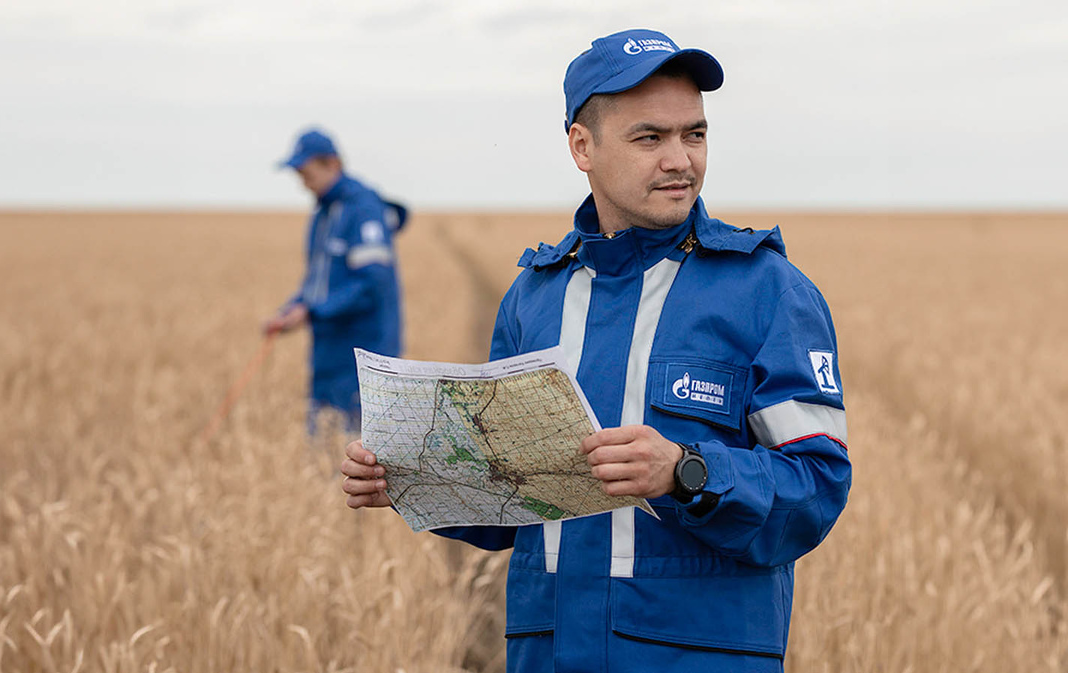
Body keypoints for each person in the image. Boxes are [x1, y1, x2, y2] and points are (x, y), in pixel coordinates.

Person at [341, 28, 851, 672]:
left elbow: (818, 485)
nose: (681, 160)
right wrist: (412, 479)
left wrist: (687, 471)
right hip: (548, 652)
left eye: (694, 134)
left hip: (698, 656)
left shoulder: (768, 290)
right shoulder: (534, 296)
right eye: (650, 138)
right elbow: (511, 500)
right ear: (582, 146)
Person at [265, 128, 407, 435]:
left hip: (364, 353)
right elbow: (317, 281)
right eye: (299, 176)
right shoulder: (324, 212)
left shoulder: (363, 208)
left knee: (357, 446)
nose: (304, 183)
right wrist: (294, 307)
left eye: (307, 173)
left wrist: (313, 312)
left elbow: (373, 283)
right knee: (324, 443)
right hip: (328, 350)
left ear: (333, 164)